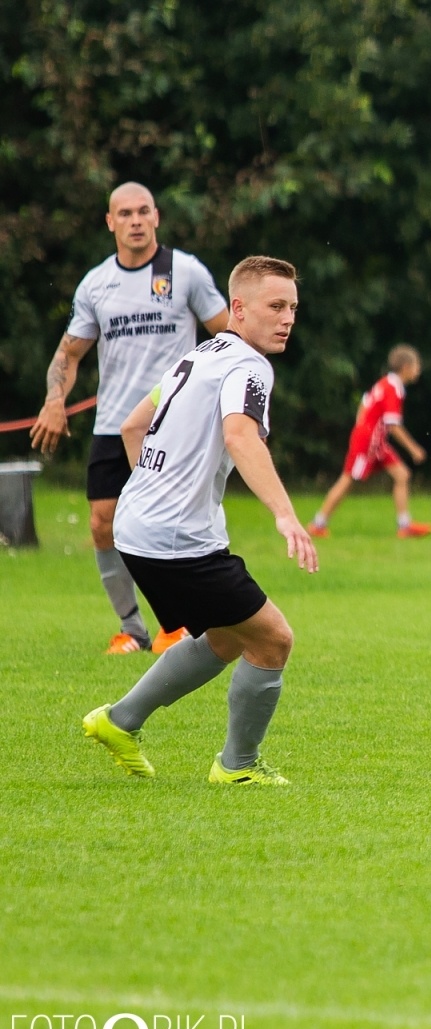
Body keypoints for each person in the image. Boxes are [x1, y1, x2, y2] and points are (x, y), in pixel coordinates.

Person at [80, 255, 317, 784]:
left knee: (229, 635)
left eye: (293, 308)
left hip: (139, 527)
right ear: (238, 308)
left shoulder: (203, 353)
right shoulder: (249, 366)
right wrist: (286, 515)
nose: (286, 318)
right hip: (174, 538)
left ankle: (121, 721)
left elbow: (133, 424)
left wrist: (154, 486)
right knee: (274, 640)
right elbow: (240, 435)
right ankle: (237, 767)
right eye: (275, 306)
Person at [30, 181, 230, 655]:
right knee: (103, 524)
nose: (135, 221)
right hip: (112, 422)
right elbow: (70, 352)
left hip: (172, 424)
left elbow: (228, 335)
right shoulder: (97, 283)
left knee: (168, 525)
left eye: (143, 212)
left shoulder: (185, 273)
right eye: (125, 213)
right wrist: (54, 400)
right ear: (110, 222)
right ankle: (132, 629)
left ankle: (176, 626)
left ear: (157, 217)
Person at [309, 344, 431, 538]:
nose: (418, 369)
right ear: (405, 367)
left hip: (375, 441)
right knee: (348, 479)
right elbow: (394, 425)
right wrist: (413, 448)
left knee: (402, 475)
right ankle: (318, 524)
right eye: (416, 365)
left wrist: (366, 429)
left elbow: (364, 406)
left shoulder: (385, 383)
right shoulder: (393, 388)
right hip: (368, 442)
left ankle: (404, 526)